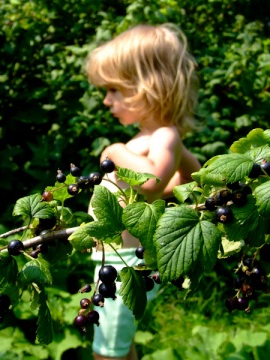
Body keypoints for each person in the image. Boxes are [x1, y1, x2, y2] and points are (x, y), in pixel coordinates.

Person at [85, 23, 202, 360]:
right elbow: (187, 179)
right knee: (122, 347)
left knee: (107, 353)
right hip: (115, 262)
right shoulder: (153, 141)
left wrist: (114, 151)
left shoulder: (164, 136)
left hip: (126, 267)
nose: (107, 100)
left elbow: (150, 183)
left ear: (148, 87)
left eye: (114, 90)